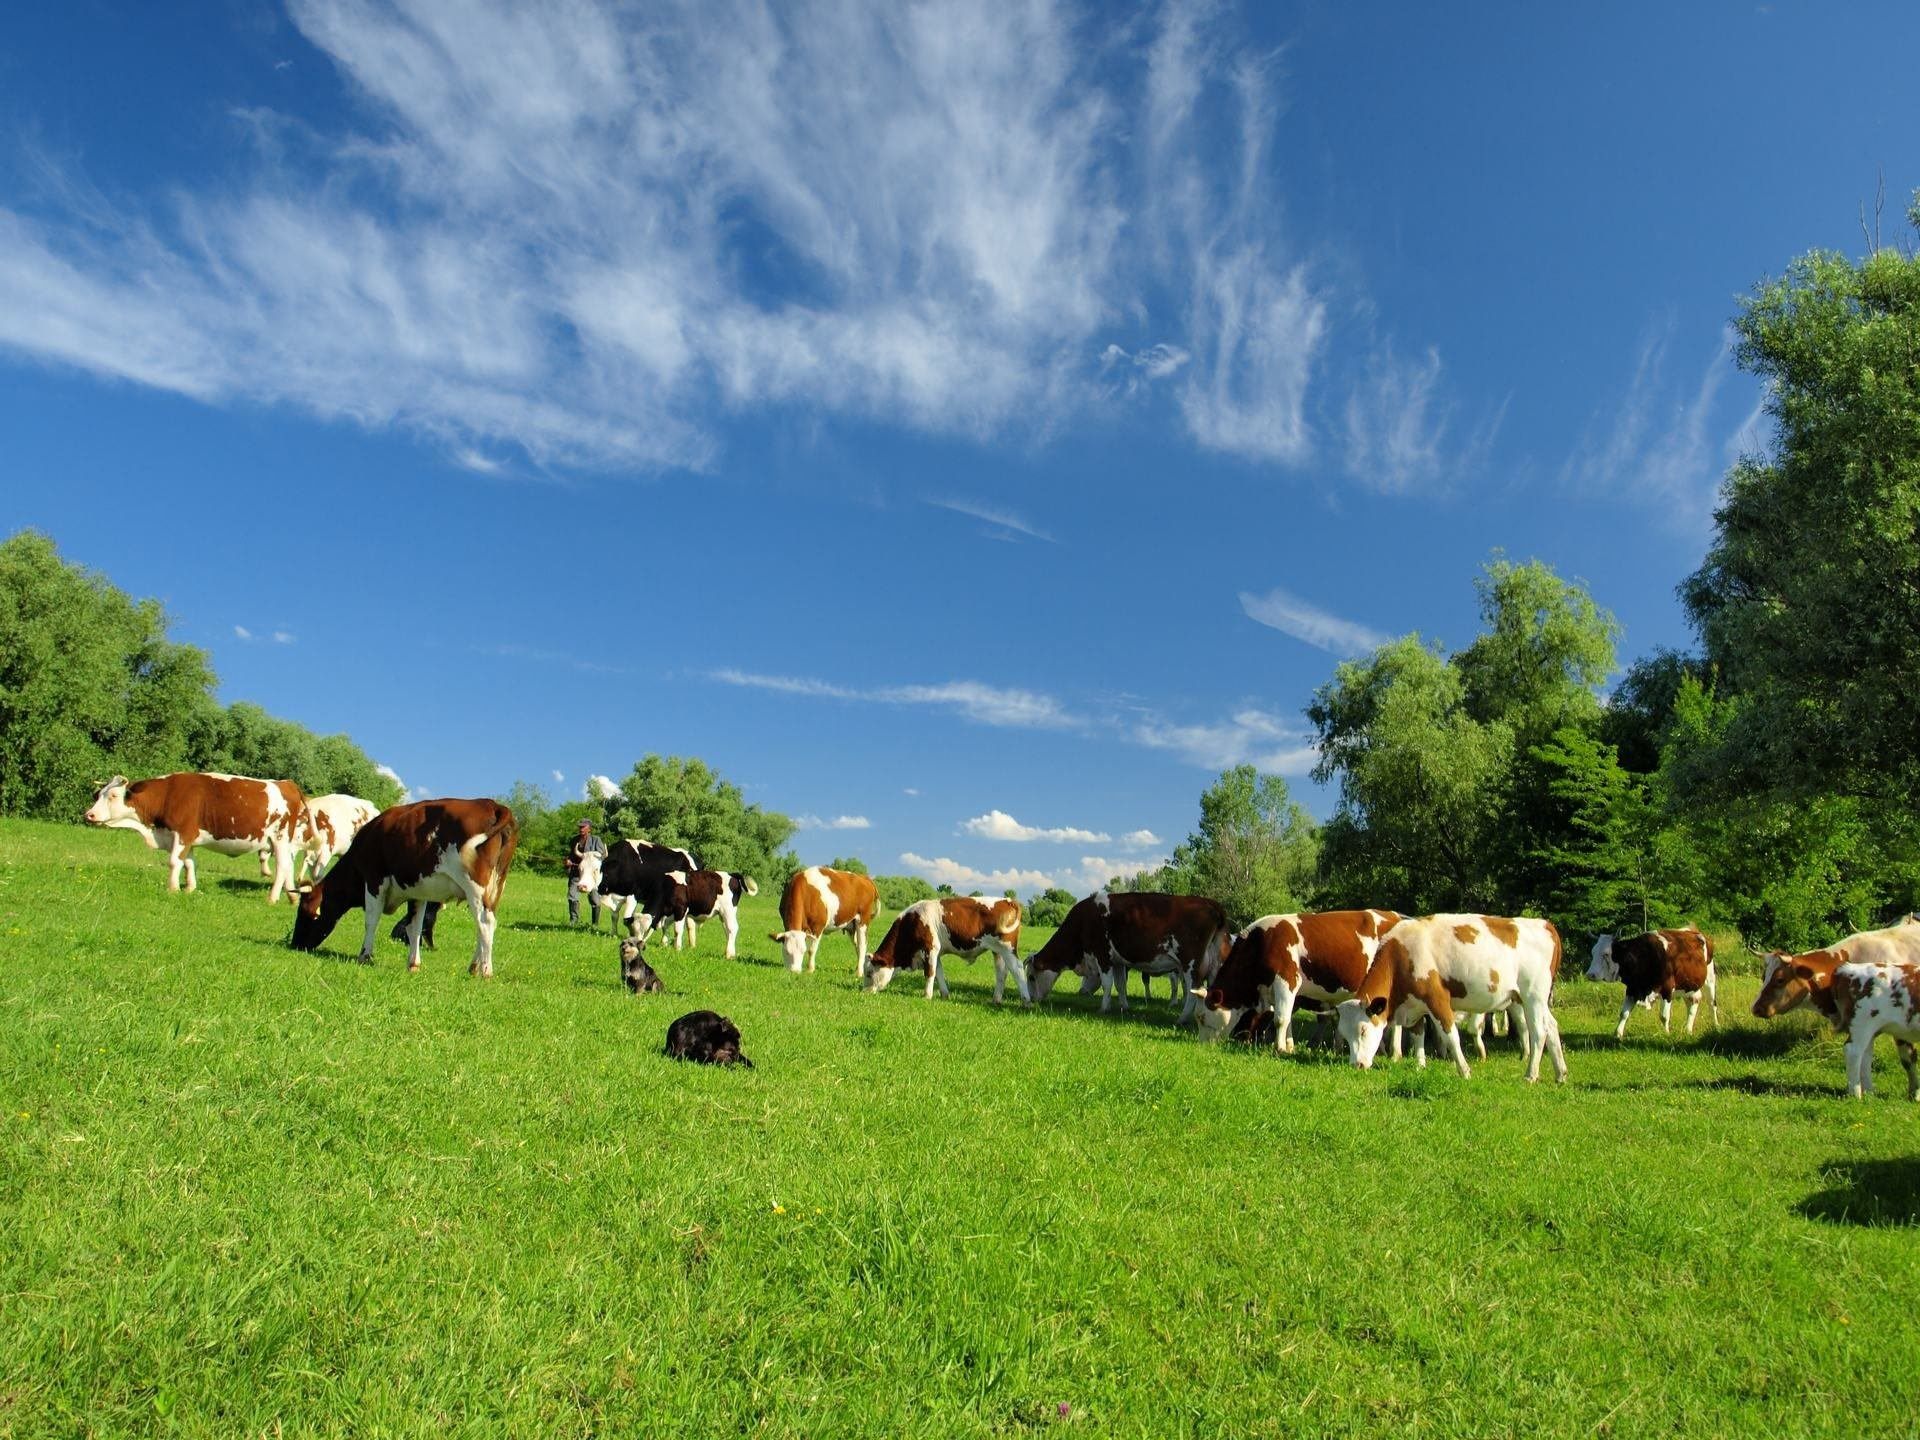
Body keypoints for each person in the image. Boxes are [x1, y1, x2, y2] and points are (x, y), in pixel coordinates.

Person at [567, 820, 607, 927]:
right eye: (580, 827)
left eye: (583, 827)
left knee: (596, 901)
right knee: (572, 897)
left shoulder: (596, 840)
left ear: (589, 829)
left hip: (591, 877)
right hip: (576, 873)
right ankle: (574, 921)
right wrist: (568, 861)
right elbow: (571, 855)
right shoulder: (574, 840)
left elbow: (602, 856)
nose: (581, 829)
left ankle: (594, 924)